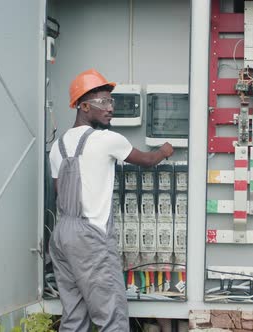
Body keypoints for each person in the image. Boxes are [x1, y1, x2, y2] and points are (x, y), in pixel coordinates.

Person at [48, 69, 174, 332]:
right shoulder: (107, 140)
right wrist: (165, 150)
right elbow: (148, 161)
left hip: (62, 236)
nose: (110, 108)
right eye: (103, 102)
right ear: (83, 106)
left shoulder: (57, 146)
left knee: (73, 317)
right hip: (91, 237)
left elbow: (60, 189)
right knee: (112, 317)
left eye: (112, 102)